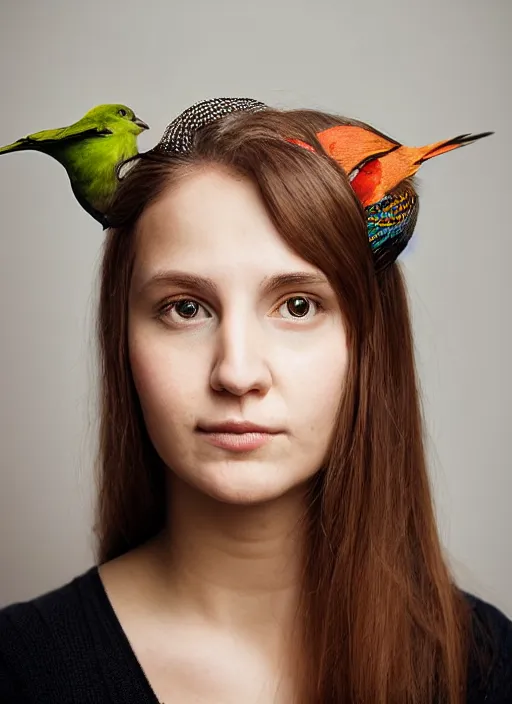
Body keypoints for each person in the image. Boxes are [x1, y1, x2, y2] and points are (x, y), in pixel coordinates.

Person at [0, 98, 510, 703]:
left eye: (298, 305)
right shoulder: (18, 673)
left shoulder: (486, 668)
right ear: (122, 337)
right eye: (186, 308)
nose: (237, 373)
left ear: (368, 341)